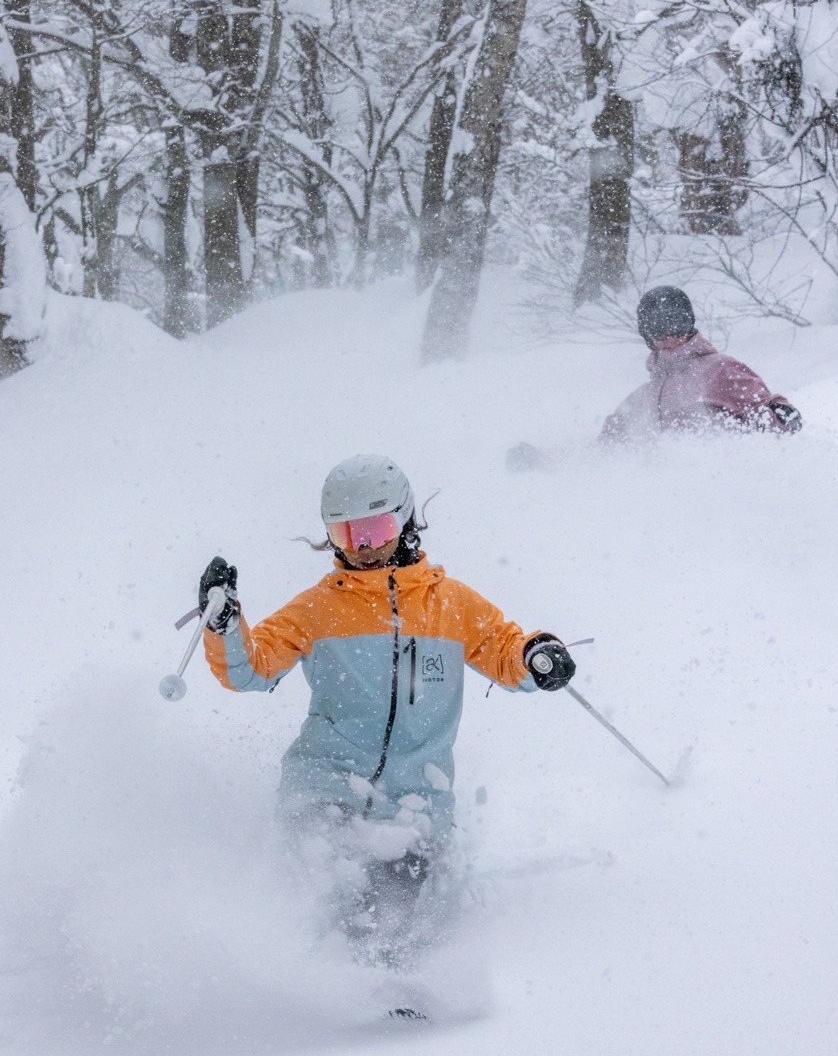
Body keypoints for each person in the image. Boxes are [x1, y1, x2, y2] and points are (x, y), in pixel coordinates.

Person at [199, 454, 575, 963]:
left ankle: (399, 994)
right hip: (326, 783)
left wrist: (536, 658)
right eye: (347, 534)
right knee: (335, 888)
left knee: (411, 905)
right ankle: (317, 982)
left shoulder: (451, 605)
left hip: (417, 800)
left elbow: (505, 650)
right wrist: (225, 628)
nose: (366, 547)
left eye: (376, 527)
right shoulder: (319, 609)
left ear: (403, 517)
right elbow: (251, 669)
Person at [600, 286, 802, 441]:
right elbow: (613, 435)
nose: (670, 339)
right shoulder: (646, 395)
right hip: (666, 489)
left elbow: (766, 407)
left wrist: (782, 415)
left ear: (689, 326)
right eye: (660, 331)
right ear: (648, 337)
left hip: (720, 478)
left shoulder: (719, 369)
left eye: (677, 328)